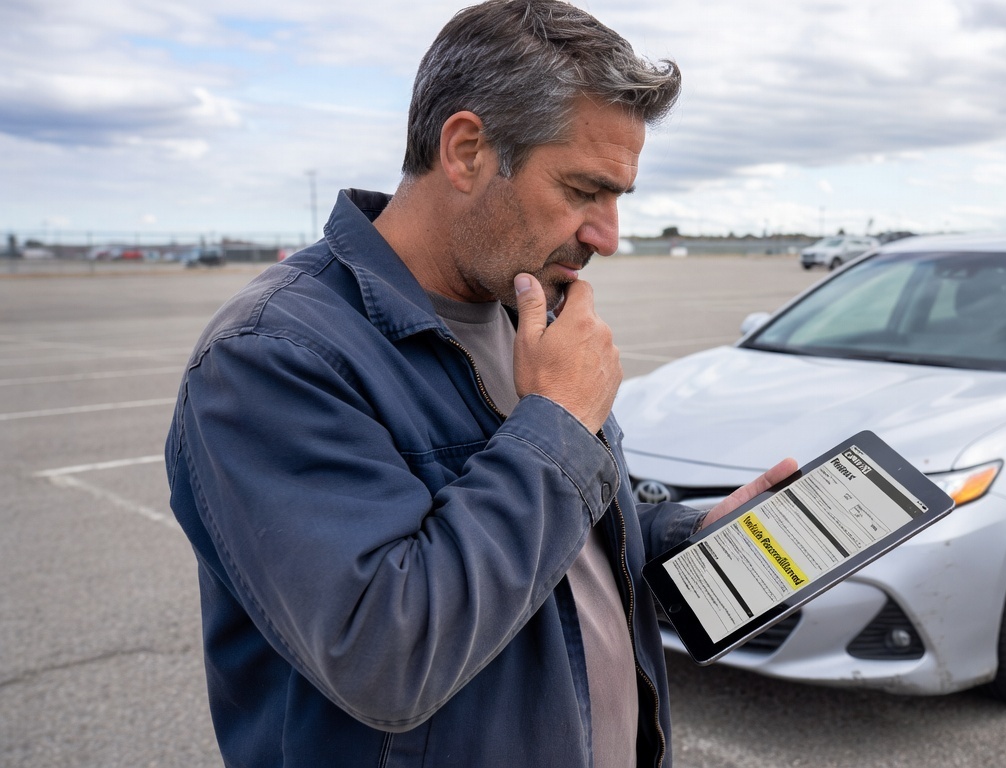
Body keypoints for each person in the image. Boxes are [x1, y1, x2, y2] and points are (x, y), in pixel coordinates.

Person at [164, 1, 794, 766]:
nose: (608, 237)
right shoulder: (273, 357)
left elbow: (562, 546)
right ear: (465, 150)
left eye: (618, 198)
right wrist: (559, 418)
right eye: (583, 189)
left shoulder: (523, 307)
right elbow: (386, 656)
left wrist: (692, 539)